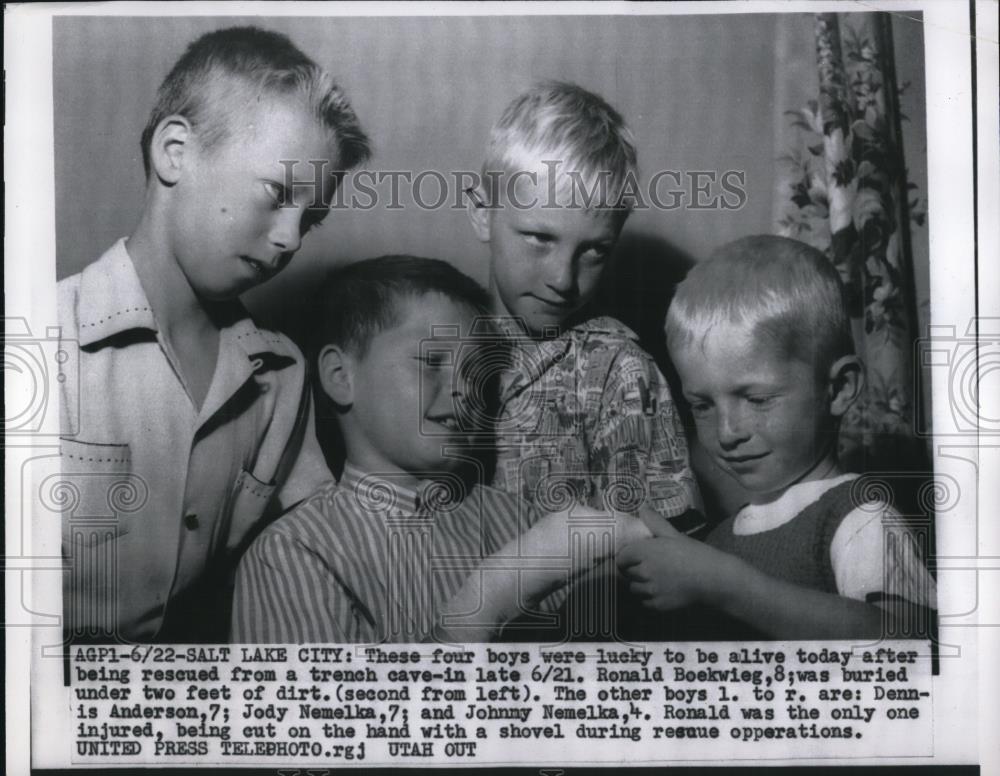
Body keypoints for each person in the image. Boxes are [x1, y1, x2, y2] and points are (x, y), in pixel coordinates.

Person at [57, 26, 370, 642]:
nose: (290, 239)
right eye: (277, 194)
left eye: (311, 217)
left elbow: (329, 542)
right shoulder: (41, 343)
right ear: (175, 152)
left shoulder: (281, 376)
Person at [231, 256, 651, 643]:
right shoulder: (295, 550)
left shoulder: (519, 517)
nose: (463, 390)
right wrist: (492, 595)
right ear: (340, 377)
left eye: (475, 373)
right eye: (431, 361)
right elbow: (339, 723)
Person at [618, 235, 936, 639]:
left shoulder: (859, 518)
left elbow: (905, 649)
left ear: (837, 390)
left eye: (757, 399)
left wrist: (726, 586)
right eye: (702, 405)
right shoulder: (721, 539)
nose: (727, 432)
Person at [466, 80, 703, 533]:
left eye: (594, 251)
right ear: (483, 213)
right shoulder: (434, 345)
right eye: (540, 238)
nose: (563, 280)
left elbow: (667, 553)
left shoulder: (619, 369)